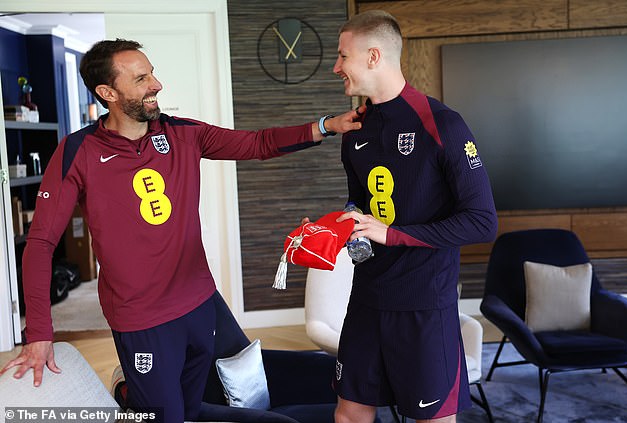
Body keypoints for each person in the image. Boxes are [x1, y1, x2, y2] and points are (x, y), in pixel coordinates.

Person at [0, 38, 363, 422]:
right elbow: (39, 244)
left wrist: (326, 125)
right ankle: (129, 395)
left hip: (200, 303)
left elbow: (256, 143)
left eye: (152, 72)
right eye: (141, 78)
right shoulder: (79, 151)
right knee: (166, 416)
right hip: (142, 319)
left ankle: (131, 394)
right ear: (107, 93)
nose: (156, 84)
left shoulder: (181, 133)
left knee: (191, 408)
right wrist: (38, 333)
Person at [331, 11, 498, 423]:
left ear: (373, 56)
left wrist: (393, 234)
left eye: (342, 56)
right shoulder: (354, 131)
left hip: (425, 305)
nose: (336, 68)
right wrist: (336, 228)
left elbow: (482, 221)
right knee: (349, 413)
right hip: (367, 300)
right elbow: (360, 205)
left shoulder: (444, 124)